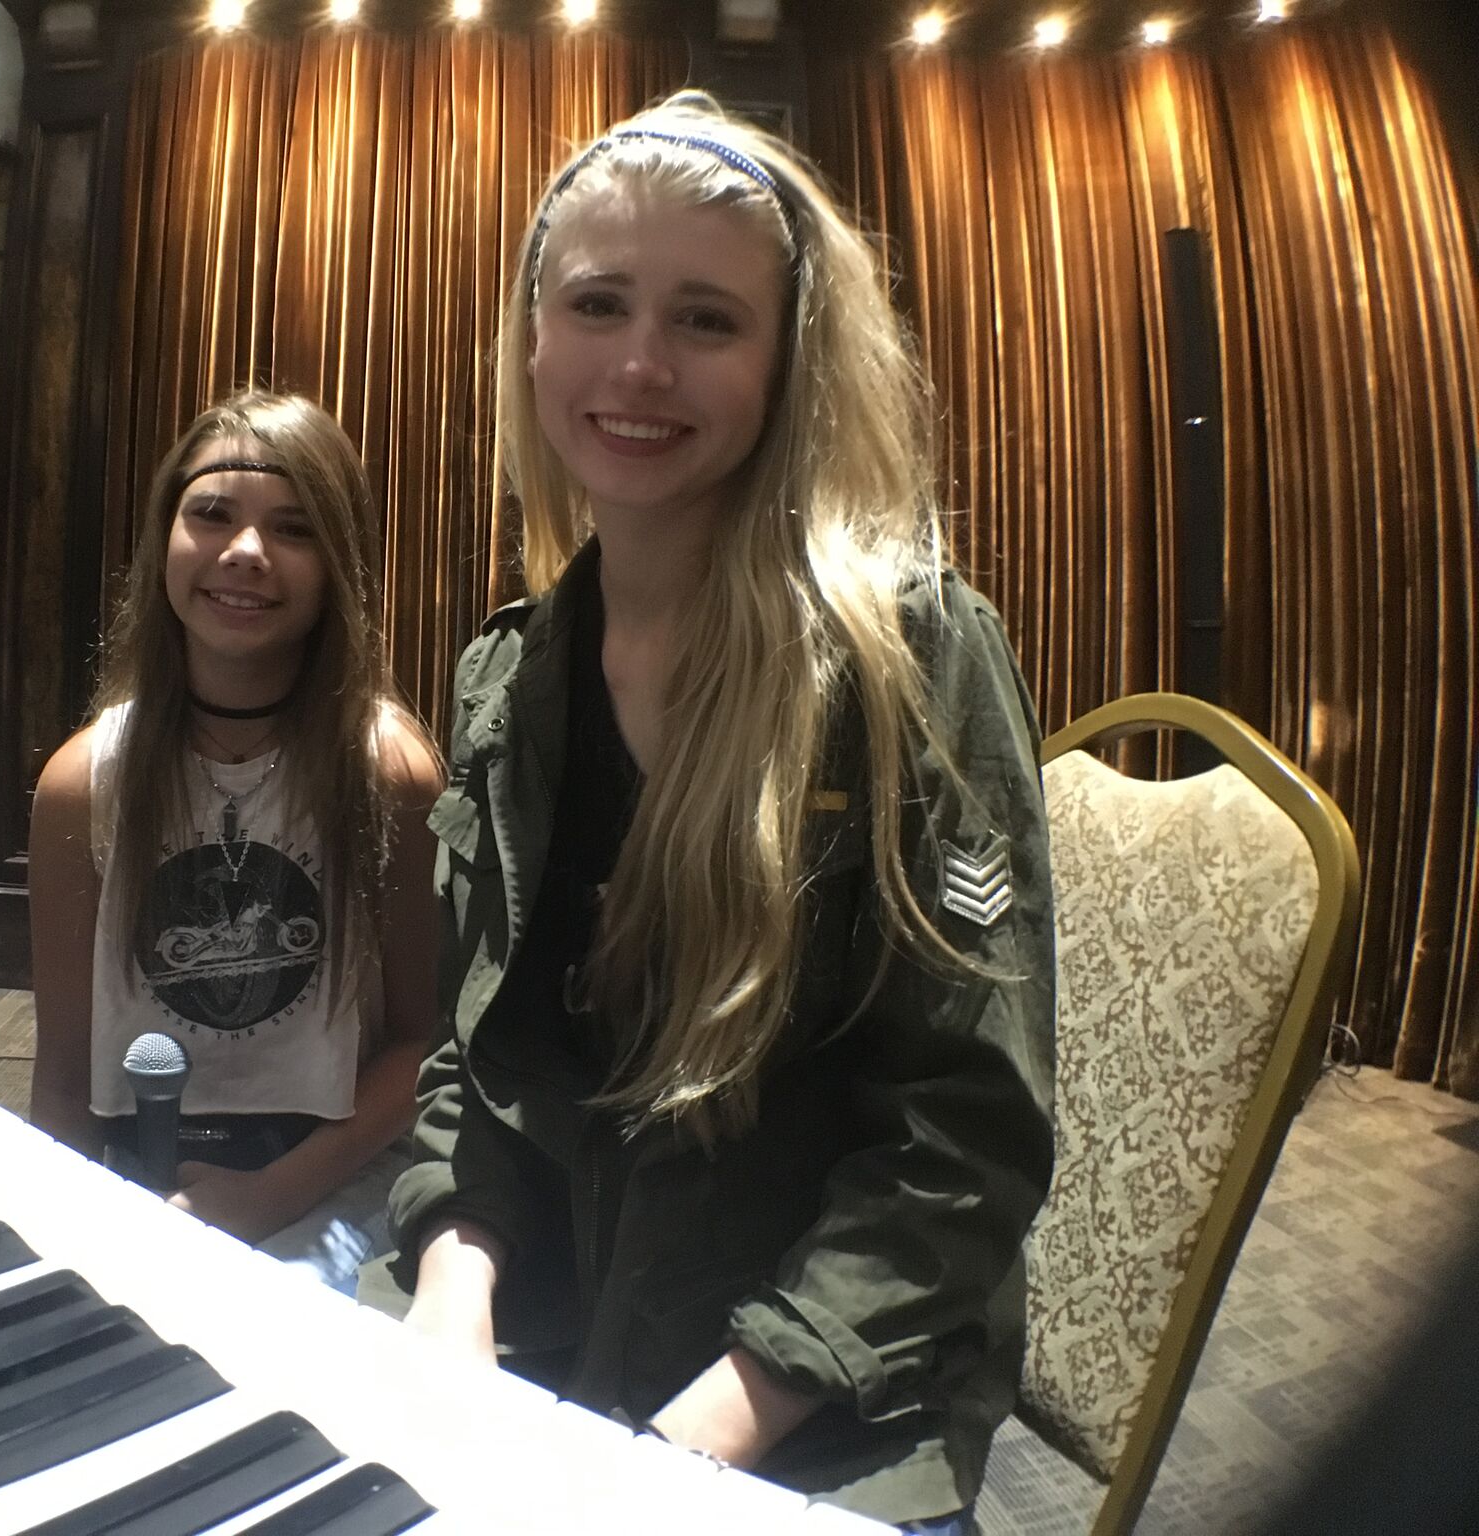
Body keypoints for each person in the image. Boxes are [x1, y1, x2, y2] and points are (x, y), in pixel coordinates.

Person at [357, 92, 1057, 1532]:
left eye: (707, 321)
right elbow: (477, 1069)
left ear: (791, 359)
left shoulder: (912, 659)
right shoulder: (507, 674)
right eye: (598, 303)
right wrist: (452, 1285)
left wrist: (684, 1450)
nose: (639, 364)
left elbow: (962, 1142)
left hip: (810, 1418)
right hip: (548, 1355)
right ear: (534, 339)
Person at [29, 390, 441, 1292]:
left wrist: (262, 1198)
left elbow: (424, 1045)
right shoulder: (79, 781)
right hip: (130, 1177)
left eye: (294, 529)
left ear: (339, 564)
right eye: (211, 514)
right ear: (164, 541)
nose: (245, 552)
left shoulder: (391, 772)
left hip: (331, 1177)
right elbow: (62, 1081)